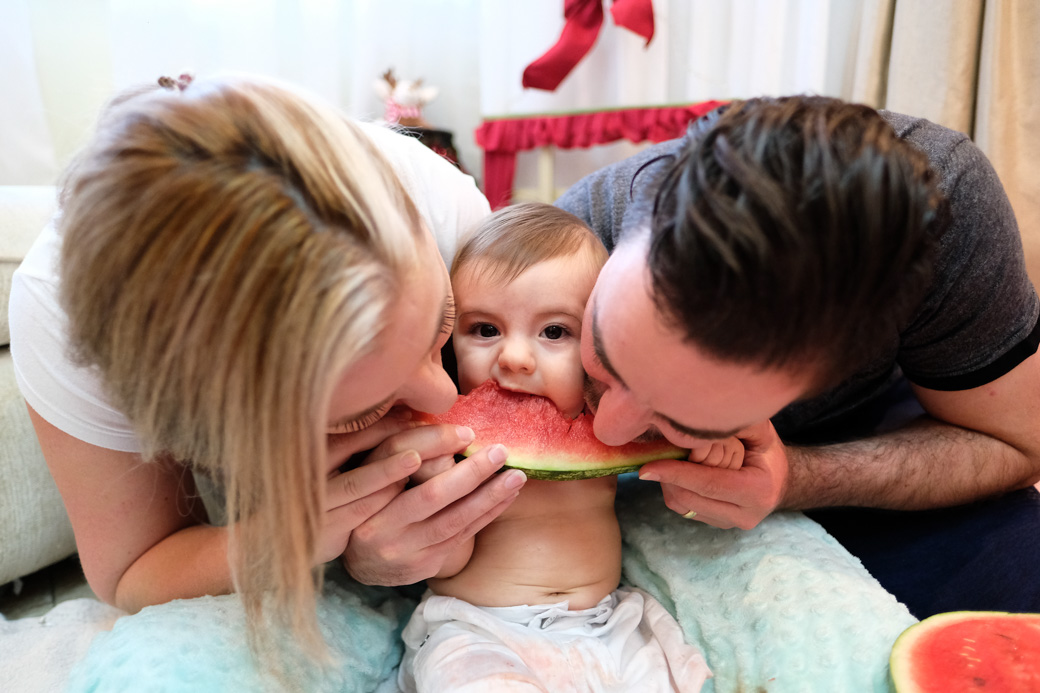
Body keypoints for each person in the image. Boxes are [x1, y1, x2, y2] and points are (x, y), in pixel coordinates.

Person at [8, 74, 529, 658]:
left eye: (443, 323)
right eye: (363, 411)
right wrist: (292, 537)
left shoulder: (437, 198)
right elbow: (131, 572)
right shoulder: (55, 312)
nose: (443, 396)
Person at [555, 94, 1040, 619]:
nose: (609, 431)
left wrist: (797, 478)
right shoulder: (571, 234)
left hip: (882, 428)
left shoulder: (954, 220)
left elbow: (1017, 445)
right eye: (601, 353)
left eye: (683, 420)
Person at [398, 202, 728, 693]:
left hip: (609, 625)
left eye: (554, 332)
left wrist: (709, 454)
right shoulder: (447, 446)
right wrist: (437, 491)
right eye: (485, 330)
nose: (514, 357)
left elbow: (690, 478)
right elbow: (443, 563)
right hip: (479, 629)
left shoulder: (616, 429)